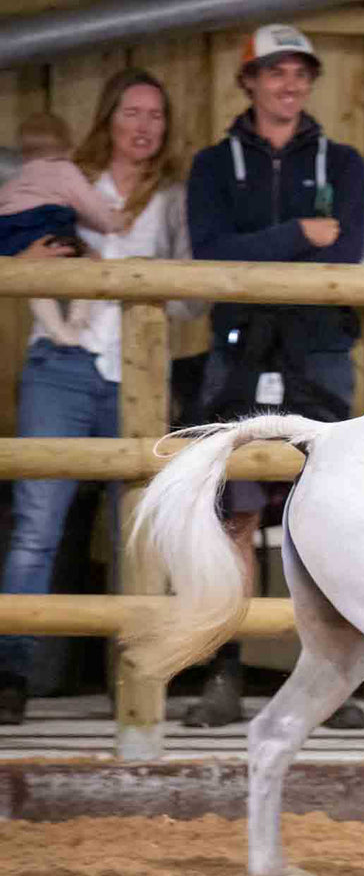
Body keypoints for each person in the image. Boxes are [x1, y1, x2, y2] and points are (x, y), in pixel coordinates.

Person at [0, 69, 202, 725]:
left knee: (137, 532)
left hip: (139, 373)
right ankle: (12, 674)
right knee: (36, 525)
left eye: (156, 115)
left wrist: (144, 287)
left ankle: (138, 676)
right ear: (109, 117)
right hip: (61, 363)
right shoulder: (61, 177)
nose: (145, 126)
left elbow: (196, 295)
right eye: (133, 112)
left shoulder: (172, 198)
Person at [182, 23, 364, 729]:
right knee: (236, 510)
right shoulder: (212, 165)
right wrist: (298, 235)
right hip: (238, 351)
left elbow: (344, 255)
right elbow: (210, 255)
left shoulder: (343, 163)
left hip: (317, 350)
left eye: (300, 73)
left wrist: (264, 252)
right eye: (274, 72)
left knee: (329, 514)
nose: (289, 84)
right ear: (250, 81)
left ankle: (326, 680)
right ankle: (222, 674)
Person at [0, 112, 130, 258]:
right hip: (43, 229)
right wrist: (112, 222)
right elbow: (89, 205)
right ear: (68, 148)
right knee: (87, 256)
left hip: (6, 235)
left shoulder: (16, 176)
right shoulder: (63, 169)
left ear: (23, 153)